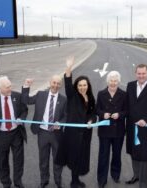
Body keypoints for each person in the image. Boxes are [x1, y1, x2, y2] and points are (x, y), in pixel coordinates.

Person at [55, 56, 96, 188]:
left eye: (84, 85)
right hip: (73, 134)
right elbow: (67, 82)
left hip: (85, 133)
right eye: (80, 85)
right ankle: (74, 182)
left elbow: (92, 113)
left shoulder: (90, 97)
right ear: (76, 86)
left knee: (81, 156)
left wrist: (91, 120)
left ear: (87, 86)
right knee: (74, 156)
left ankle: (76, 179)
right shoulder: (72, 96)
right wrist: (69, 67)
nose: (82, 87)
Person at [21, 75, 67, 188]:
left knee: (57, 159)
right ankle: (44, 180)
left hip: (56, 134)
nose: (55, 85)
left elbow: (66, 115)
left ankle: (57, 180)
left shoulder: (64, 99)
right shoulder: (41, 94)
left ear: (60, 85)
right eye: (54, 82)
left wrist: (60, 123)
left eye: (58, 83)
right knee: (43, 159)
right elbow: (26, 100)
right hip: (42, 133)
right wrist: (26, 86)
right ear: (50, 82)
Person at [96, 71, 127, 188]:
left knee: (117, 154)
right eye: (111, 81)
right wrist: (102, 114)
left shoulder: (123, 94)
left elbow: (126, 111)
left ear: (118, 82)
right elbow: (97, 109)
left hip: (118, 130)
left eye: (115, 81)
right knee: (103, 155)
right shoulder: (101, 93)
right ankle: (101, 179)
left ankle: (115, 175)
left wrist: (119, 114)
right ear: (107, 81)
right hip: (104, 130)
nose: (113, 83)